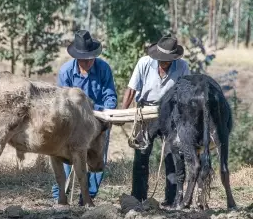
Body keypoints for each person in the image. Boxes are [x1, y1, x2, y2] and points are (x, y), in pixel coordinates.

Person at [121, 34, 190, 206]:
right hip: (146, 112)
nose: (163, 62)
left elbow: (186, 94)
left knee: (173, 156)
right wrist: (122, 113)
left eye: (167, 60)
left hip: (171, 114)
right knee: (141, 155)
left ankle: (173, 199)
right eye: (161, 59)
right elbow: (131, 89)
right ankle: (138, 197)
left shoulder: (182, 66)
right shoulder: (144, 63)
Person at [51, 29, 117, 205]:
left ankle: (87, 198)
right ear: (76, 57)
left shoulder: (103, 69)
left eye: (90, 58)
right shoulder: (66, 72)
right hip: (73, 123)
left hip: (98, 120)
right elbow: (61, 101)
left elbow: (110, 96)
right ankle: (60, 195)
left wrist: (105, 115)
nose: (87, 62)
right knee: (65, 156)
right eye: (83, 59)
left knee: (97, 159)